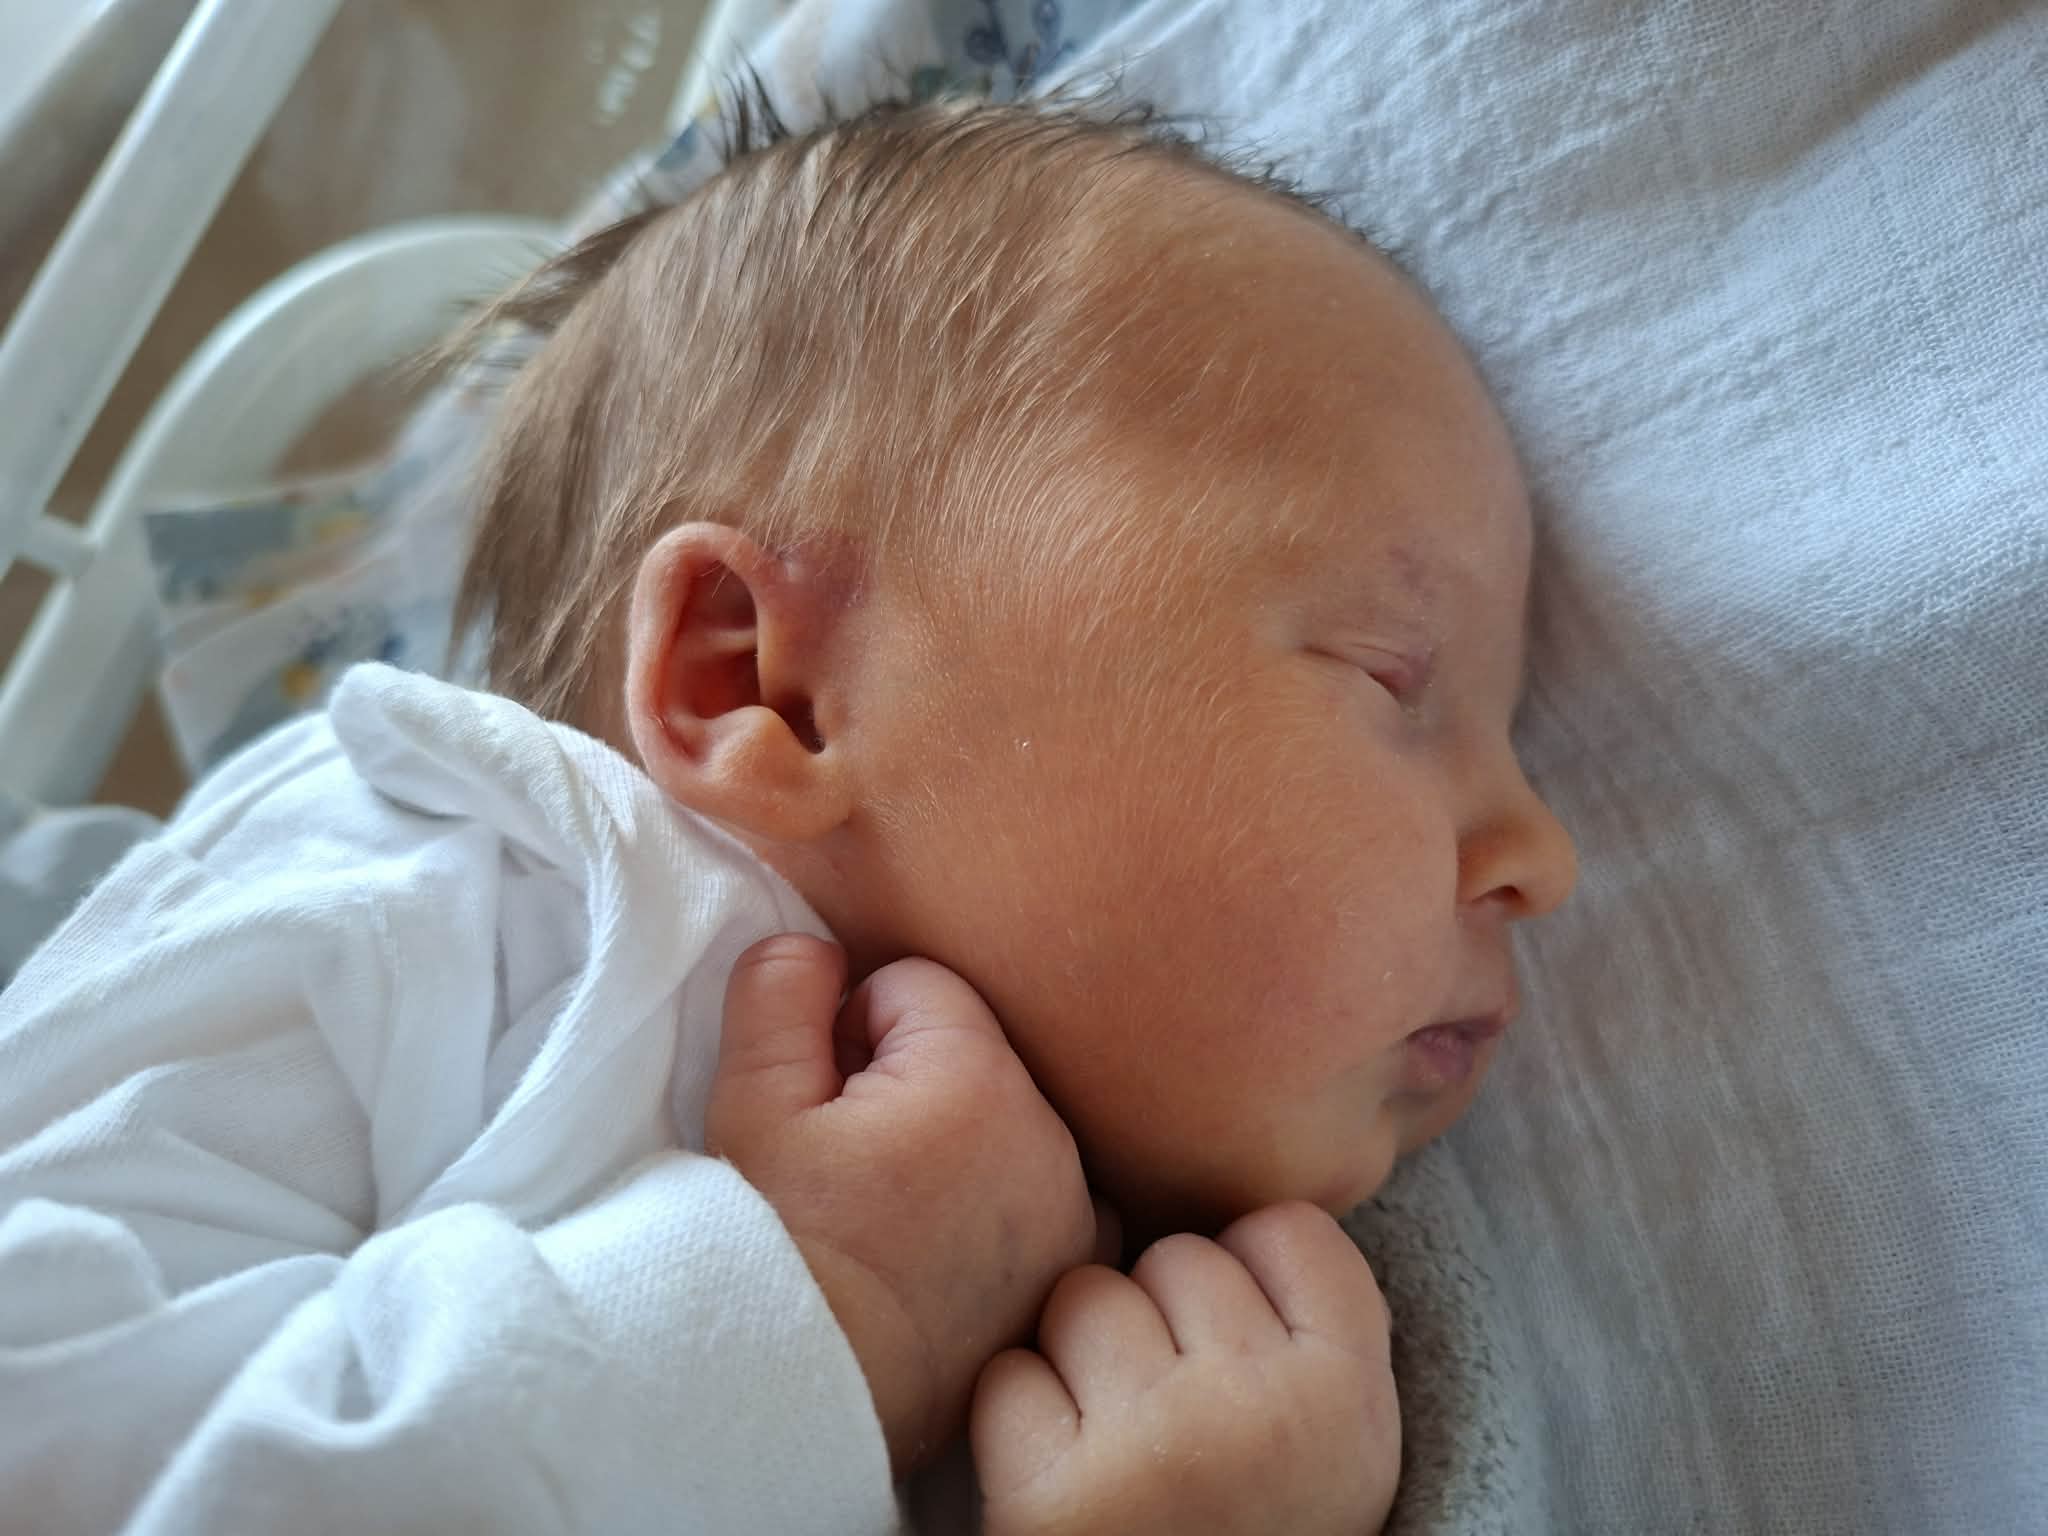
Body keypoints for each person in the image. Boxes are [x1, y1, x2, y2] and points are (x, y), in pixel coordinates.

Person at [0, 96, 1575, 1534]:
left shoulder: (1227, 1353)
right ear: (760, 683)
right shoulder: (424, 886)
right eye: (1393, 675)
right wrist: (812, 1314)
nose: (1543, 856)